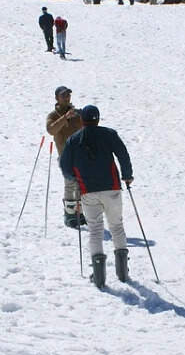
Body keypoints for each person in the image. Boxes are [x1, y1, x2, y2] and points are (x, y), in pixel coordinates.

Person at [59, 105, 133, 288]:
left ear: (82, 120)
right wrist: (127, 175)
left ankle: (99, 277)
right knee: (116, 226)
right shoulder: (109, 134)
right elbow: (122, 154)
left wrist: (74, 178)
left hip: (88, 191)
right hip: (112, 188)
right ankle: (123, 272)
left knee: (95, 229)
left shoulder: (73, 139)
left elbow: (65, 165)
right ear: (98, 119)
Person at [45, 86, 85, 228]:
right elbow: (51, 130)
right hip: (65, 156)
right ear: (57, 98)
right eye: (63, 96)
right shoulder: (53, 115)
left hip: (80, 155)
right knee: (70, 184)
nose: (67, 98)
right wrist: (65, 118)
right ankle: (69, 215)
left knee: (81, 184)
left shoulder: (77, 114)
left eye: (68, 95)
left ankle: (80, 213)